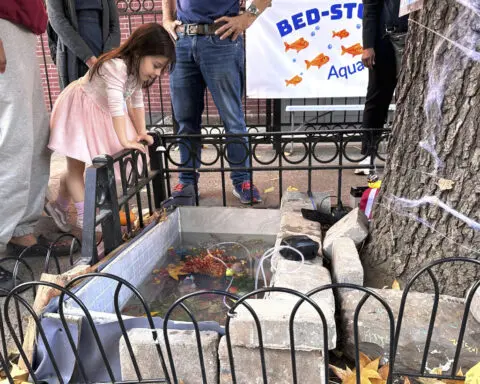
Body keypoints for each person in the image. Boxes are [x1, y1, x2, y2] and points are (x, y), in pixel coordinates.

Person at [48, 23, 176, 229]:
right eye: (156, 65)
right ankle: (86, 218)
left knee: (80, 168)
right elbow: (118, 106)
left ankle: (59, 206)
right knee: (76, 169)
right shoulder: (115, 66)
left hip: (101, 111)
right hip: (79, 109)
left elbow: (136, 101)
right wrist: (124, 140)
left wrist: (141, 131)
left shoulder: (135, 72)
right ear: (140, 51)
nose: (158, 73)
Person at [162, 0, 271, 204]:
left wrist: (247, 18)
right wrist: (166, 19)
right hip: (182, 41)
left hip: (221, 40)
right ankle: (187, 182)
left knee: (233, 119)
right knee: (185, 120)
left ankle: (242, 180)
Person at [0, 0, 75, 287]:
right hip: (4, 21)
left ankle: (21, 231)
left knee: (35, 137)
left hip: (20, 22)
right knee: (12, 139)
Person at [43, 0, 120, 231]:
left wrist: (105, 59)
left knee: (96, 147)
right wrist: (89, 58)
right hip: (75, 68)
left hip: (103, 69)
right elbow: (58, 21)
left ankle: (59, 204)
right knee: (76, 149)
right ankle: (89, 222)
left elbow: (115, 25)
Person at [356, 0, 408, 175]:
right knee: (377, 98)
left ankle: (407, 155)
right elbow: (370, 8)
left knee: (412, 99)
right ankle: (368, 154)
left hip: (414, 38)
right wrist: (368, 46)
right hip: (386, 39)